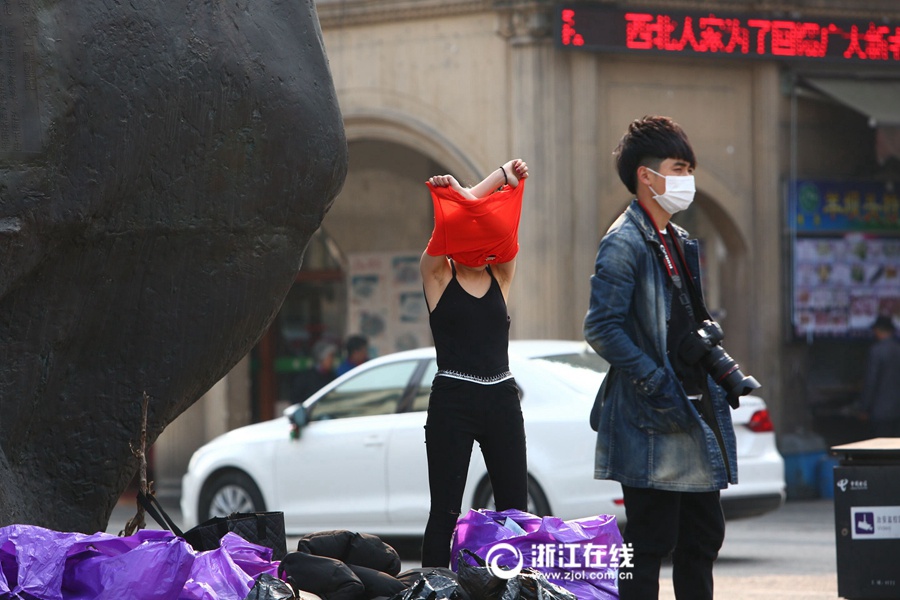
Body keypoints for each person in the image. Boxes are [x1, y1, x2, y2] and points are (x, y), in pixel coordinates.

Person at [583, 116, 738, 600]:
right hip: (650, 418)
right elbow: (600, 327)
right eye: (679, 167)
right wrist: (655, 381)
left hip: (692, 409)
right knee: (649, 544)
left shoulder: (680, 240)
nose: (688, 178)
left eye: (690, 167)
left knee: (702, 538)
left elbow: (688, 320)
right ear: (647, 176)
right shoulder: (623, 242)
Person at [419, 158, 529, 568]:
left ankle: (517, 589)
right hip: (453, 400)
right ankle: (433, 589)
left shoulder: (501, 277)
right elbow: (452, 222)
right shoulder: (437, 276)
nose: (475, 241)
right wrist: (493, 180)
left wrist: (482, 190)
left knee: (516, 511)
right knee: (445, 512)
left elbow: (504, 225)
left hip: (502, 397)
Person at [859, 314, 900, 437]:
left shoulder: (876, 351)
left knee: (880, 447)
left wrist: (864, 408)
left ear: (878, 330)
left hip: (880, 410)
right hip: (897, 409)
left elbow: (871, 381)